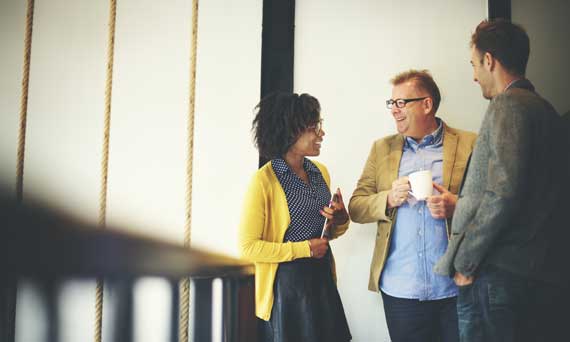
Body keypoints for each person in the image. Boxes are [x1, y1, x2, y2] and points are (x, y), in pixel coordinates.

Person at [434, 19, 569, 342]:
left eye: (474, 64)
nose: (474, 75)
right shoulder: (547, 111)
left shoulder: (508, 104)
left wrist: (466, 262)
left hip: (500, 277)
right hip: (541, 275)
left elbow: (503, 193)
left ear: (490, 61)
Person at [348, 70, 476, 342]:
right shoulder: (381, 149)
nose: (393, 110)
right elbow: (356, 206)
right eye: (391, 103)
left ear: (427, 104)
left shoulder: (469, 143)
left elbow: (493, 205)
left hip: (455, 287)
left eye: (401, 103)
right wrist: (388, 198)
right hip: (400, 290)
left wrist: (457, 206)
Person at [239, 92, 352, 342]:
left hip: (322, 278)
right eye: (314, 127)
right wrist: (304, 249)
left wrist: (340, 218)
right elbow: (249, 248)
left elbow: (328, 232)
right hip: (288, 288)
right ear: (290, 132)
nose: (321, 134)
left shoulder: (320, 171)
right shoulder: (263, 181)